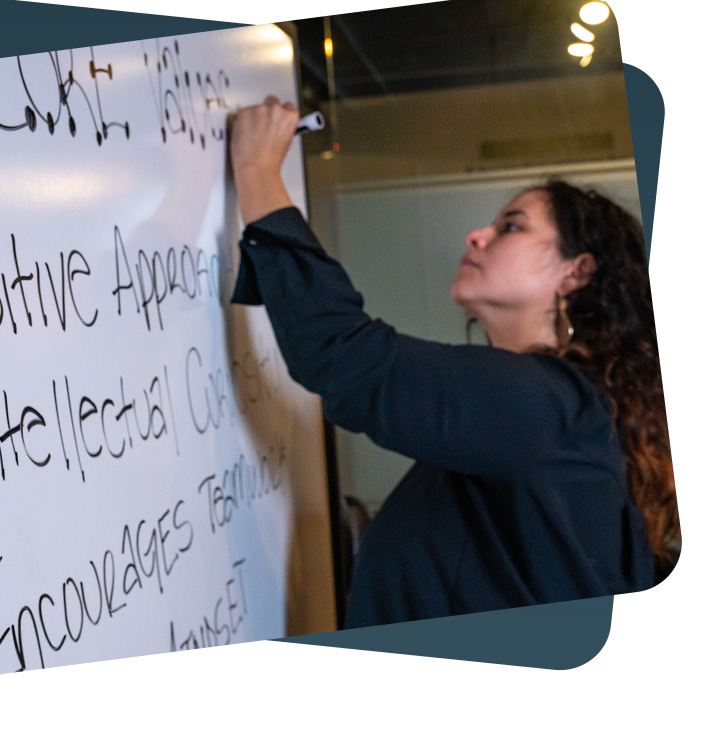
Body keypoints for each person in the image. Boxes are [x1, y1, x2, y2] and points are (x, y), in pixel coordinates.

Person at [229, 96, 679, 627]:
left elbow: (347, 357)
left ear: (575, 273)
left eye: (511, 227)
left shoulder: (546, 402)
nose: (476, 235)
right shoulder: (553, 409)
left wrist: (258, 172)